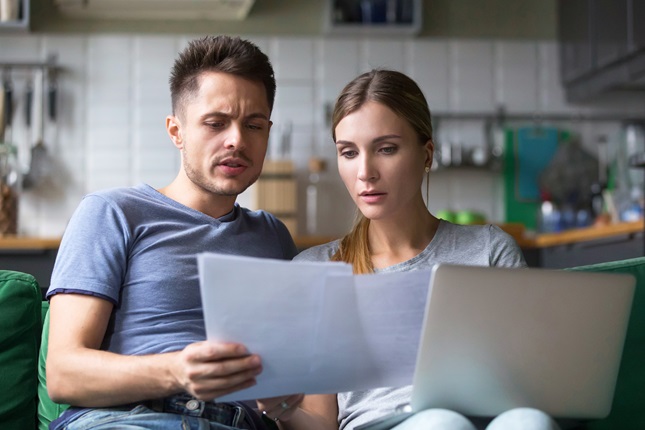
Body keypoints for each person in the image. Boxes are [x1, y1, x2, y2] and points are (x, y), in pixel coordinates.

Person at [256, 70, 561, 430]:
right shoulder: (317, 270)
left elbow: (529, 380)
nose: (365, 172)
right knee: (442, 424)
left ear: (426, 154)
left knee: (530, 421)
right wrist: (281, 409)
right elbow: (321, 422)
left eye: (386, 149)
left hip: (485, 421)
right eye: (349, 153)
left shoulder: (489, 250)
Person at [45, 34, 298, 430]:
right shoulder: (113, 213)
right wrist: (178, 371)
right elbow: (63, 373)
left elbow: (294, 379)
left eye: (254, 125)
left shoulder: (273, 237)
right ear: (176, 131)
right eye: (216, 123)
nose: (237, 140)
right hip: (127, 420)